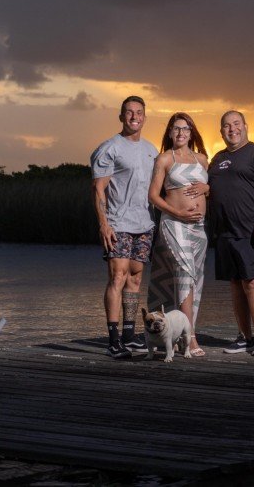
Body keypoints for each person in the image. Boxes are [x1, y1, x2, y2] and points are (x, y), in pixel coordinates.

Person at [91, 96, 159, 359]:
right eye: (129, 112)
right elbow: (98, 189)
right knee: (117, 277)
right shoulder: (110, 148)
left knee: (135, 278)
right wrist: (104, 224)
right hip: (117, 223)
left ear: (144, 117)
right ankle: (113, 339)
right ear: (121, 116)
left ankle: (130, 335)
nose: (134, 116)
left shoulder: (151, 150)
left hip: (144, 224)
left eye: (139, 112)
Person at [207, 110, 254, 356]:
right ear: (221, 131)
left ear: (245, 126)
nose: (232, 129)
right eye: (226, 125)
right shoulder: (217, 158)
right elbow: (211, 187)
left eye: (236, 124)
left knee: (252, 281)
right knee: (236, 284)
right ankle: (243, 336)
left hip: (250, 230)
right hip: (225, 232)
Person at [147, 112, 209, 357]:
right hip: (174, 223)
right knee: (184, 274)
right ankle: (190, 339)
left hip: (199, 229)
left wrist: (208, 188)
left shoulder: (202, 159)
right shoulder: (164, 159)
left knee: (194, 279)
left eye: (185, 129)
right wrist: (179, 214)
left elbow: (210, 191)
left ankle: (175, 331)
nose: (181, 133)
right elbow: (153, 195)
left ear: (191, 132)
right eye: (176, 129)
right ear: (170, 133)